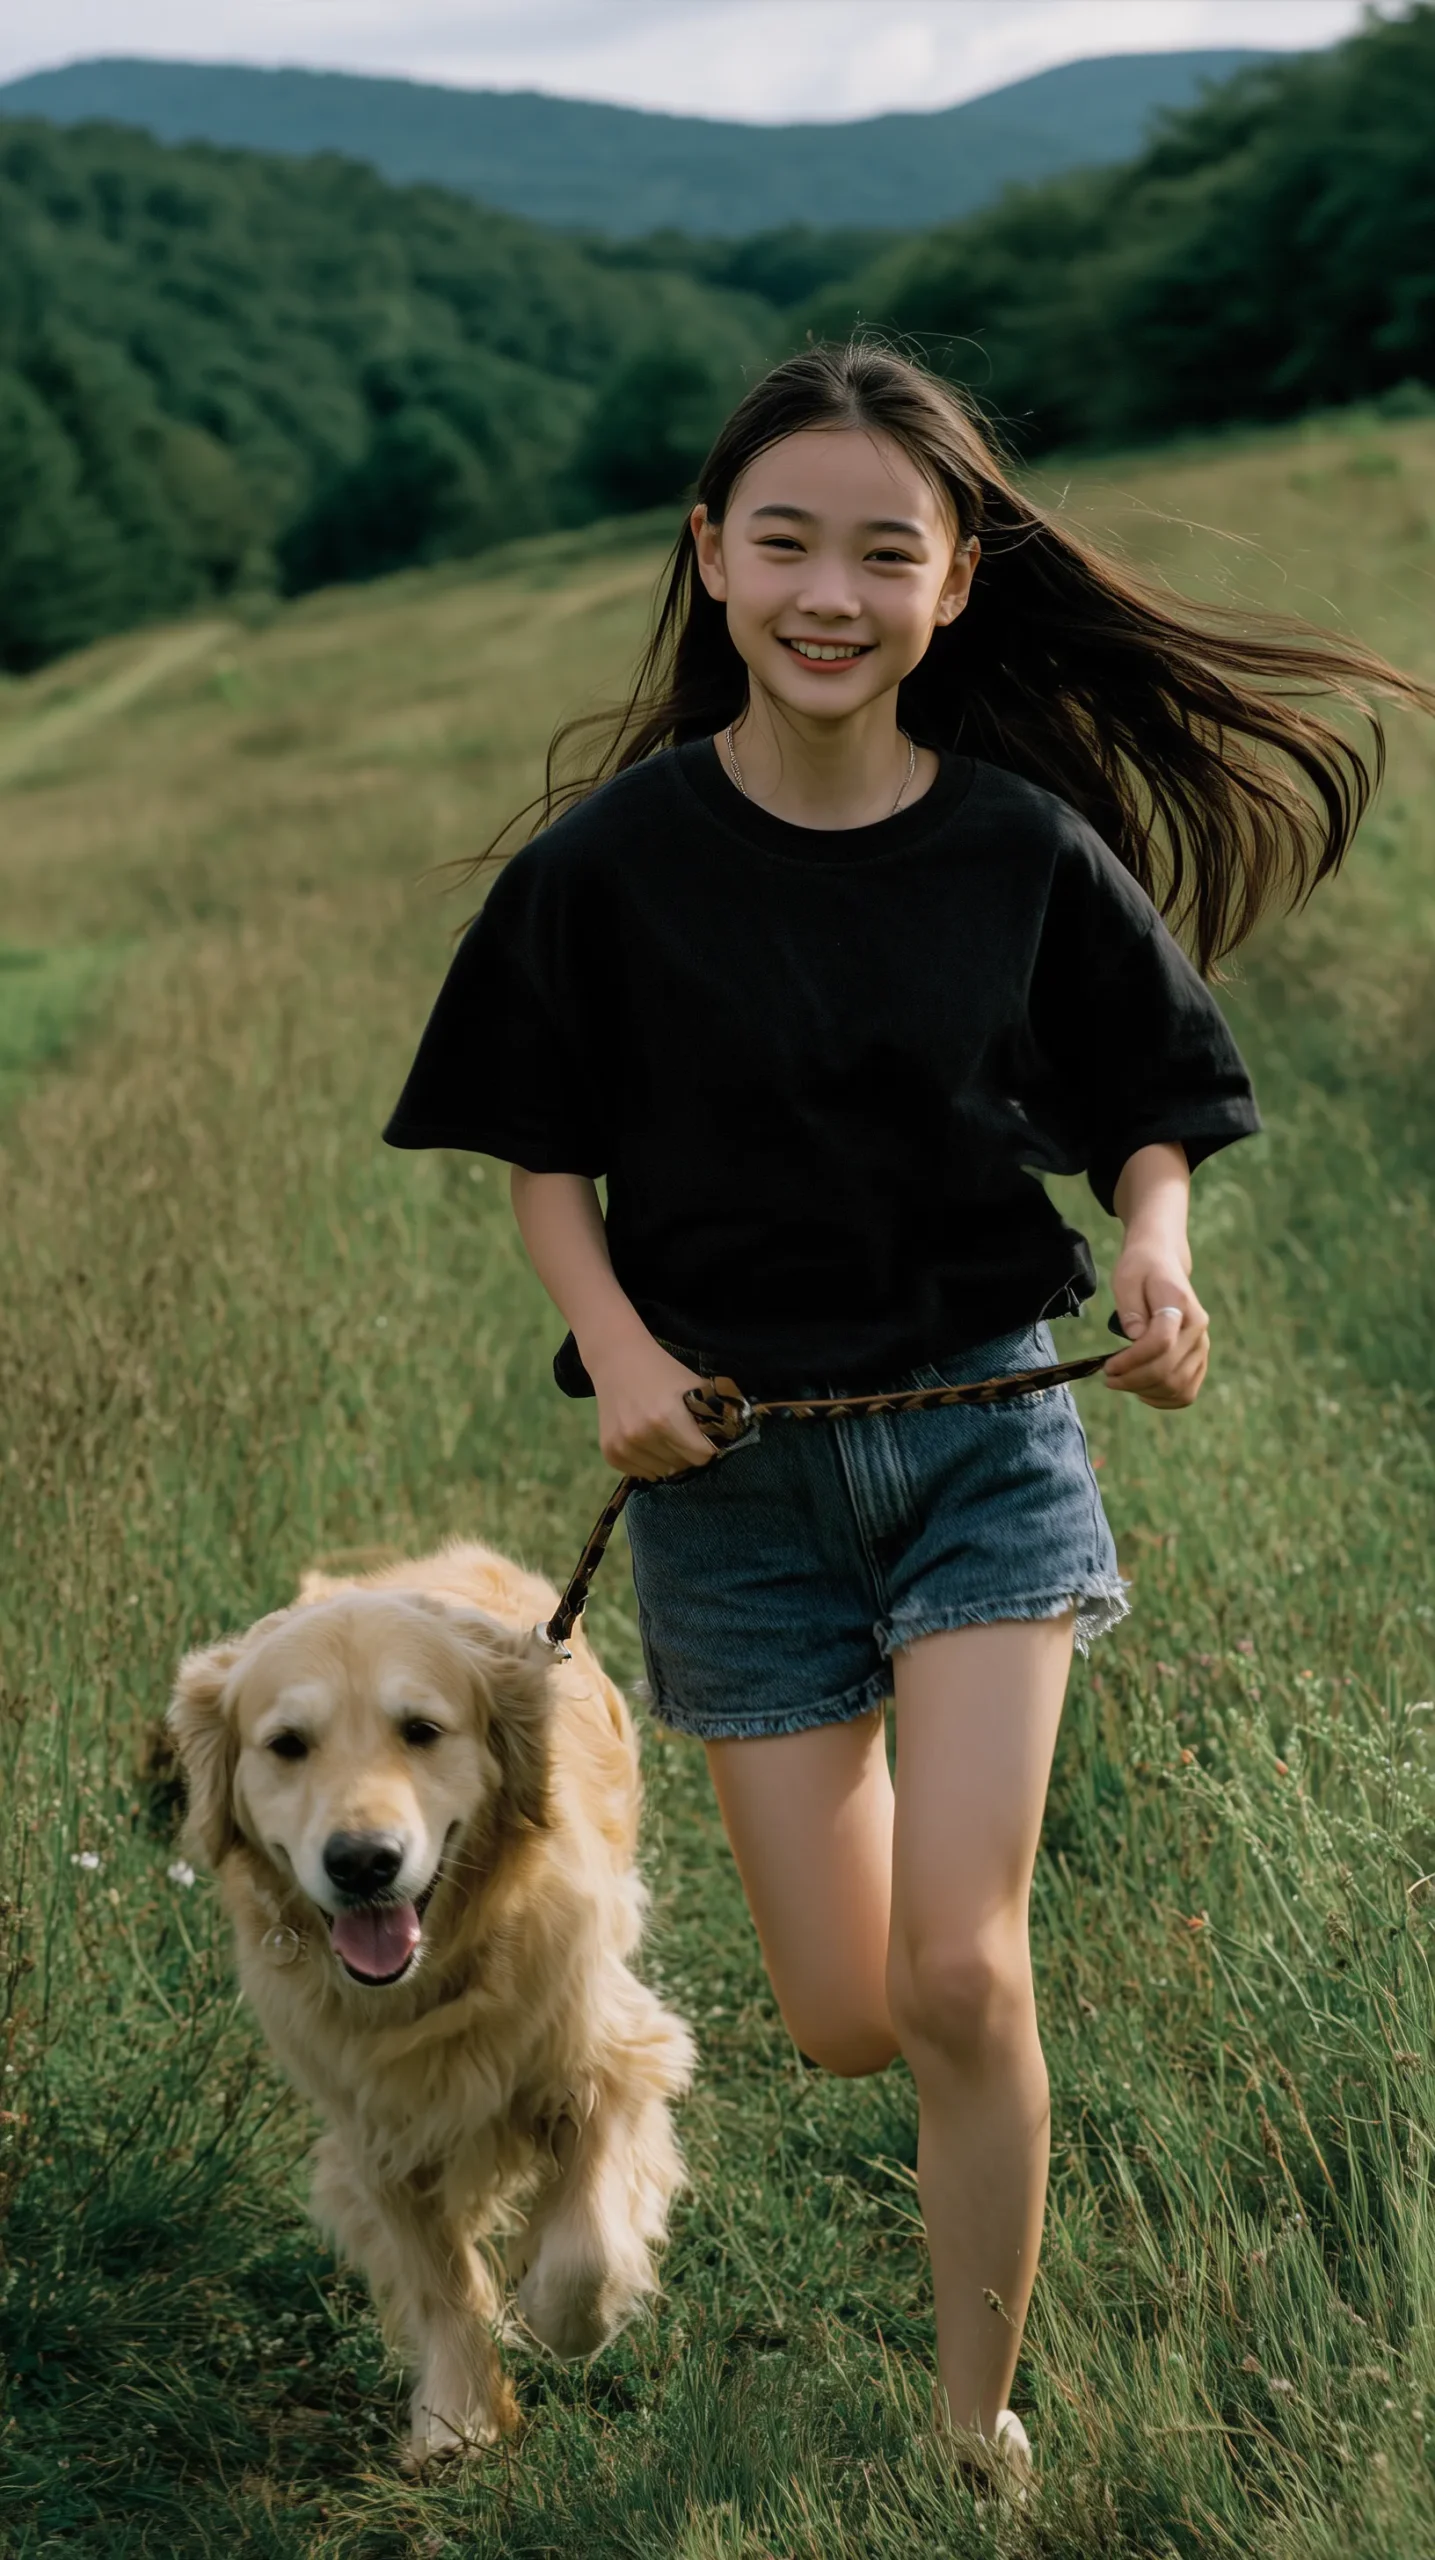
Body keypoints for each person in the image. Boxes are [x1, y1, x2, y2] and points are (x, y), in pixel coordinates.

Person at [382, 341, 1432, 2496]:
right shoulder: (614, 867)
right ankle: (918, 2111)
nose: (829, 590)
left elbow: (1159, 1108)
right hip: (730, 1488)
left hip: (978, 1442)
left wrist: (1159, 1249)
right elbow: (542, 1160)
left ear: (958, 583)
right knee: (851, 2013)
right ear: (712, 559)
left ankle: (978, 2425)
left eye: (887, 549)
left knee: (962, 1969)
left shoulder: (1022, 848)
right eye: (786, 541)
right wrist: (624, 1355)